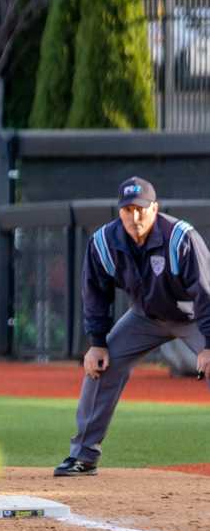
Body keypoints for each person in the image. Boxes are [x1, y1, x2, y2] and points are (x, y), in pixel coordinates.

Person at [55, 176, 210, 477]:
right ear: (120, 211)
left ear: (155, 208)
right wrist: (97, 342)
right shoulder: (103, 242)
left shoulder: (180, 237)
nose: (134, 217)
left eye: (141, 209)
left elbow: (205, 292)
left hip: (194, 316)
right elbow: (94, 293)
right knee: (101, 366)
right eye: (127, 210)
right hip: (144, 317)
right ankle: (83, 457)